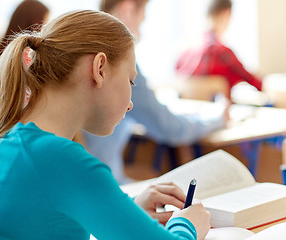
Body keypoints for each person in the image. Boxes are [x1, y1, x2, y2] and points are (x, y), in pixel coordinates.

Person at [0, 10, 210, 240]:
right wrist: (188, 225)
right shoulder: (62, 160)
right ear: (99, 69)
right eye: (130, 81)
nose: (131, 102)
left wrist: (128, 213)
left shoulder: (3, 143)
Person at [84, 0, 227, 184]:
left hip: (81, 184)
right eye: (142, 19)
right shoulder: (116, 63)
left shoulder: (81, 53)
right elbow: (170, 128)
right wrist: (219, 117)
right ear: (127, 9)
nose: (141, 29)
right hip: (103, 185)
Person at [175, 0, 262, 98]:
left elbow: (176, 76)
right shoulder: (223, 53)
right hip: (219, 111)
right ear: (226, 14)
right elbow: (254, 83)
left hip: (187, 111)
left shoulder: (185, 52)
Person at [0, 0, 50, 93]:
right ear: (34, 24)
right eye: (43, 24)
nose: (44, 31)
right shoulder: (26, 61)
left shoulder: (0, 55)